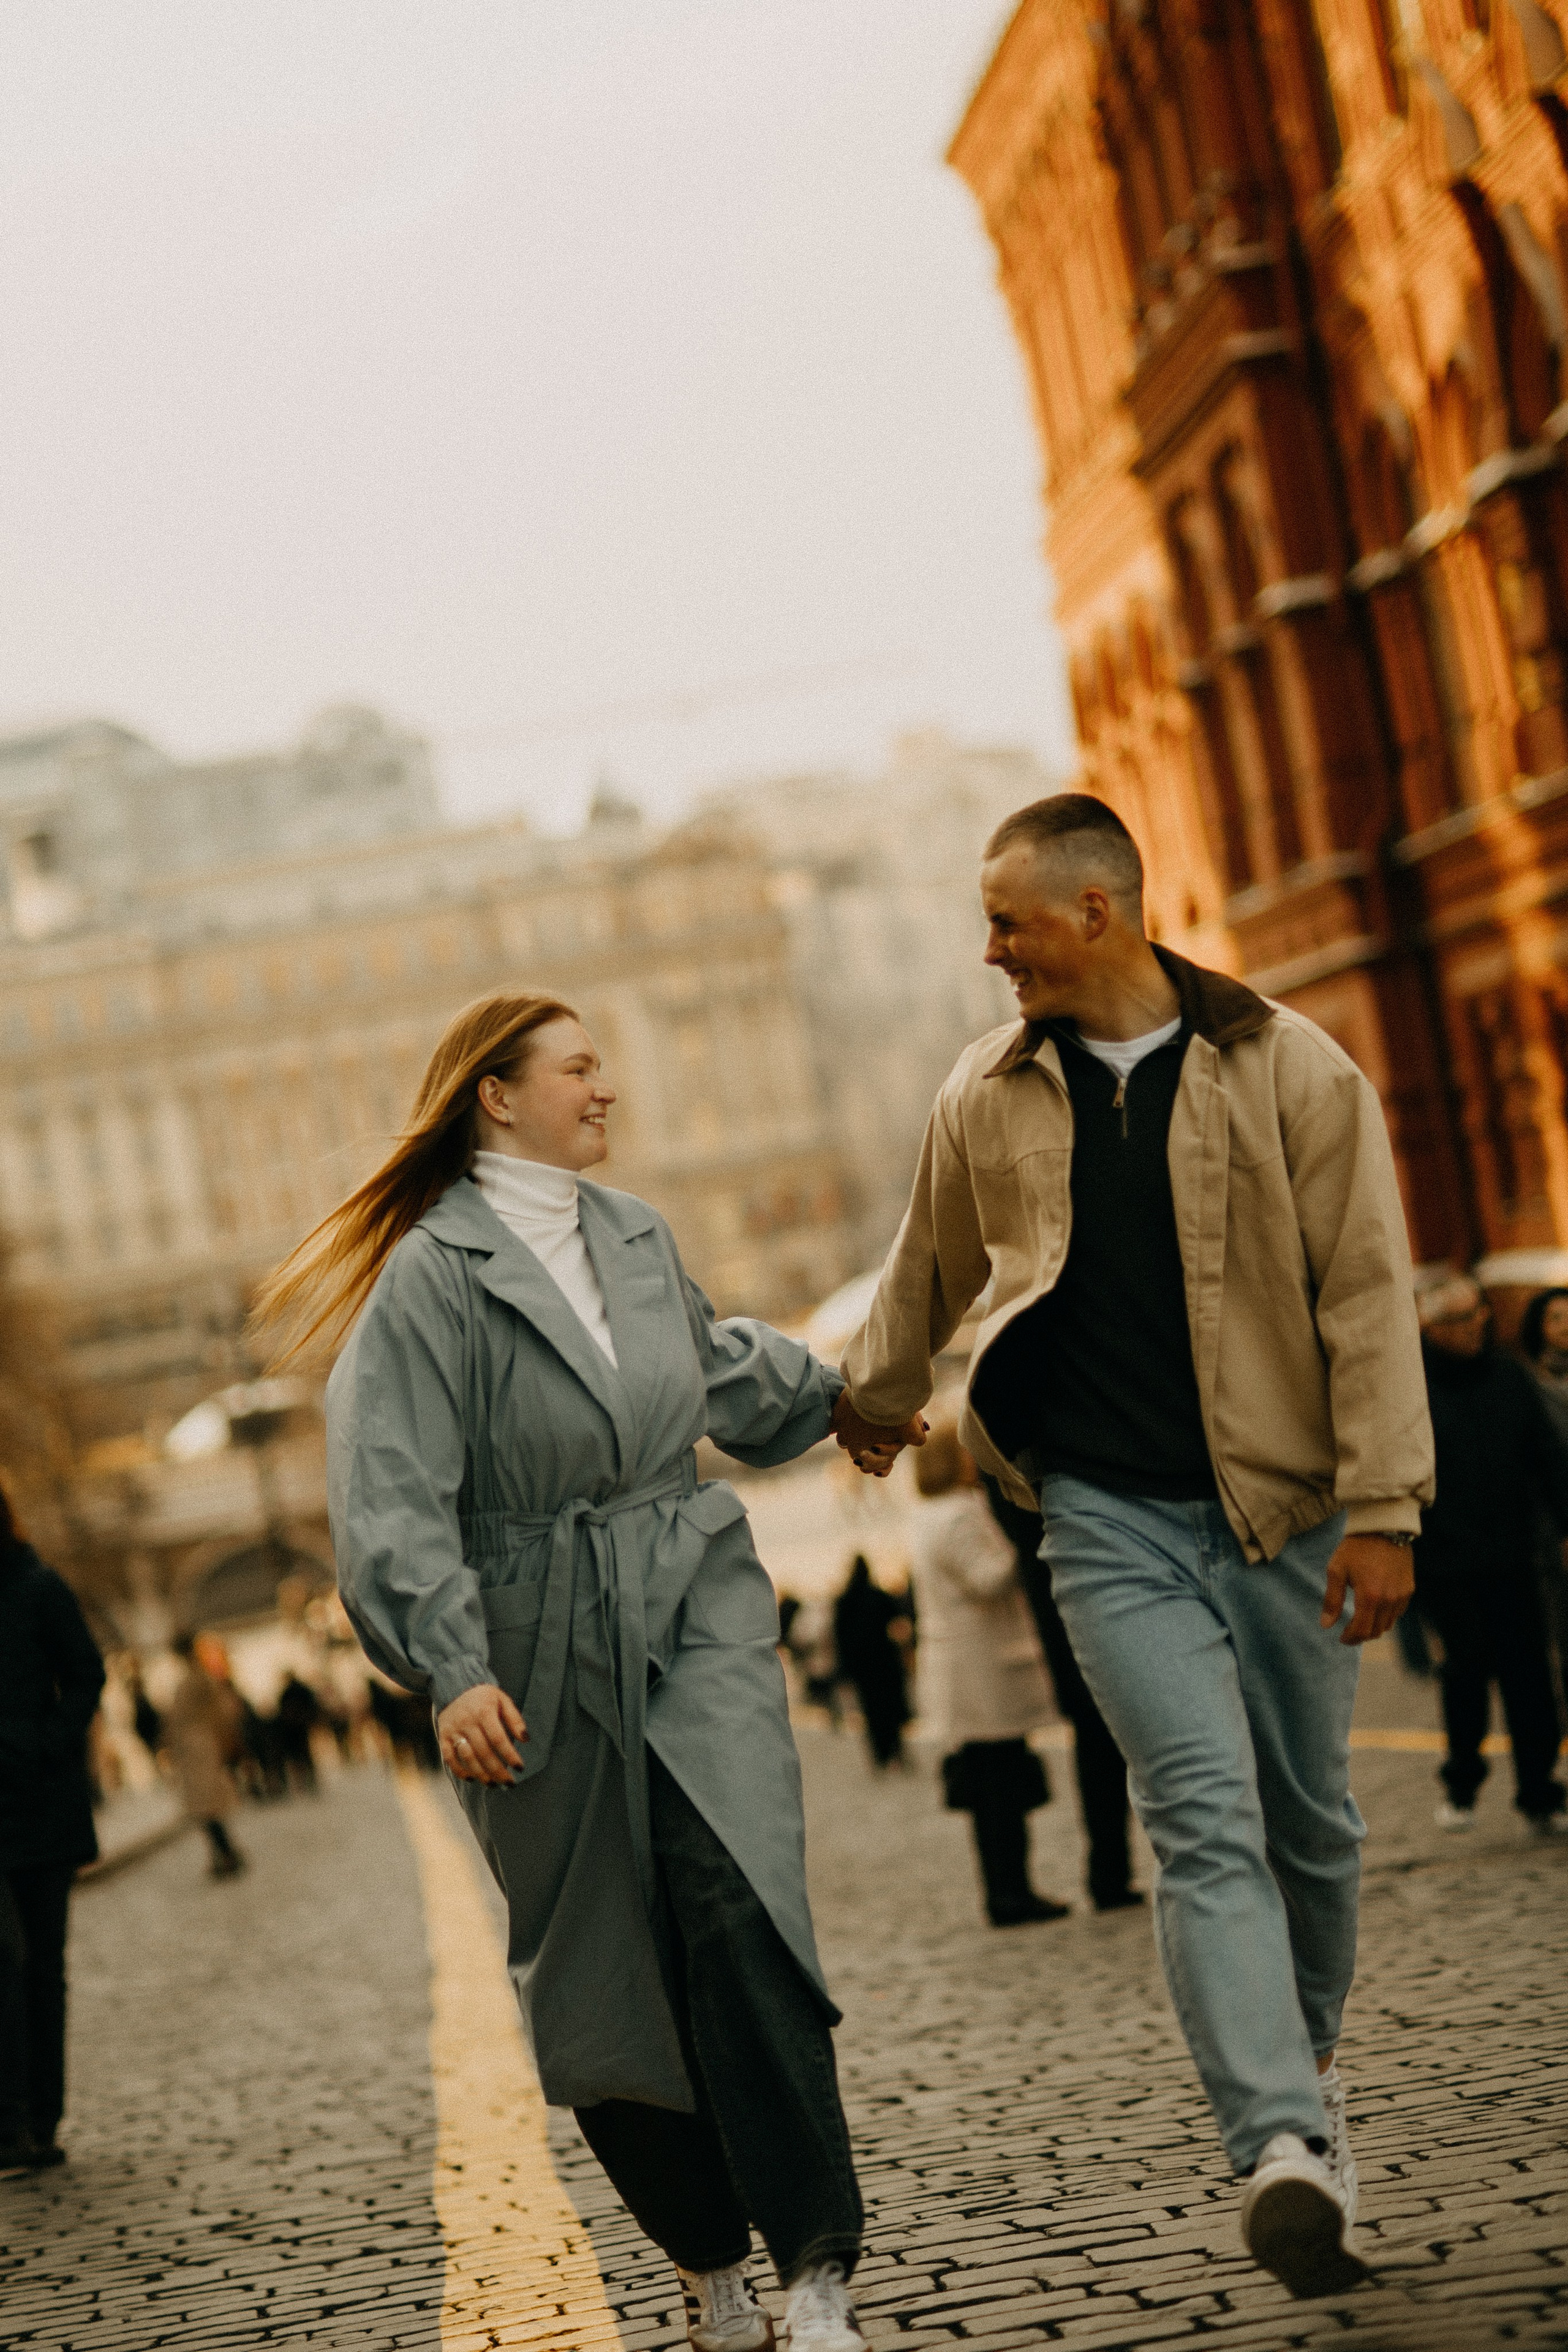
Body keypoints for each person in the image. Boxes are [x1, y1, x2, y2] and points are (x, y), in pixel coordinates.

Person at [830, 792, 1434, 2301]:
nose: (988, 952)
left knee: (1309, 1822)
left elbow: (1366, 1293)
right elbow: (926, 1263)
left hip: (1286, 1508)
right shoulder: (986, 1091)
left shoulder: (1291, 1070)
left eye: (1008, 921)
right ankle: (1278, 2140)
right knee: (1196, 1816)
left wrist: (1383, 1508)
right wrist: (868, 1398)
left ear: (1096, 911)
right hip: (1100, 1515)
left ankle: (1300, 2076)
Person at [255, 991, 921, 2352]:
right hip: (528, 1651)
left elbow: (709, 1365)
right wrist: (450, 1671)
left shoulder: (631, 1233)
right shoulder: (428, 1280)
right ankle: (701, 2256)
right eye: (578, 1068)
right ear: (499, 1098)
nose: (606, 1088)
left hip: (689, 1604)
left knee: (740, 1910)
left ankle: (814, 2267)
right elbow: (390, 1499)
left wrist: (839, 1400)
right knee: (604, 1970)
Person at [1414, 1271, 1568, 1831]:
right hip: (1443, 1560)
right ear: (1429, 1328)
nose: (1476, 1324)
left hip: (1512, 1553)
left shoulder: (1508, 1377)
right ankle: (1462, 1782)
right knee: (1467, 1668)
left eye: (1478, 1312)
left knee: (1529, 1674)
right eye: (1459, 1318)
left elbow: (1547, 1456)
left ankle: (1540, 1791)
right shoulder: (1413, 1387)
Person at [907, 1425, 1068, 1926]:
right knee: (1002, 1790)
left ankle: (1009, 1889)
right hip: (982, 1671)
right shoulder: (956, 1515)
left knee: (992, 1790)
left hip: (969, 1671)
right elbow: (987, 1578)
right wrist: (1025, 1548)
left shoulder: (926, 1516)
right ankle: (1011, 1893)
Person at [0, 1490, 104, 2174]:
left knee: (43, 1968)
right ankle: (9, 2124)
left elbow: (88, 1675)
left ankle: (41, 2117)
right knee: (6, 1963)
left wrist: (48, 1743)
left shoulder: (38, 1588)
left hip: (39, 1805)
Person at [981, 1476, 1140, 1912]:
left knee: (1098, 1747)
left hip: (1061, 1620)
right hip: (1080, 1610)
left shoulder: (998, 1473)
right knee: (1109, 1745)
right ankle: (1111, 1873)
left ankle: (1110, 1871)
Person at [163, 1634, 248, 1877]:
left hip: (201, 1751)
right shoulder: (193, 1677)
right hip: (194, 1751)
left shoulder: (199, 1677)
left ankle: (227, 1855)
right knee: (203, 1809)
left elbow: (220, 1710)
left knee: (207, 1807)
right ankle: (224, 1854)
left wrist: (224, 1740)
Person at [831, 1556, 910, 1770]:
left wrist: (844, 1668)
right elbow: (898, 1620)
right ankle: (896, 1751)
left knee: (872, 1710)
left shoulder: (844, 1600)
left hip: (861, 1666)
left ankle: (880, 1755)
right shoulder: (878, 1595)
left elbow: (839, 1637)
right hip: (884, 1661)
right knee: (890, 1707)